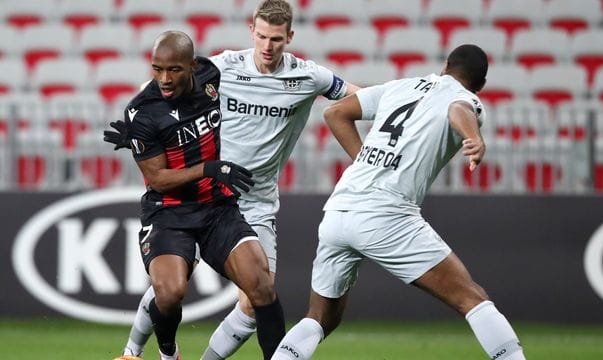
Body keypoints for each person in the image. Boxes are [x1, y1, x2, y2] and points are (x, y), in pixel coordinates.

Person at [106, 1, 359, 359]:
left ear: (289, 37)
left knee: (258, 297)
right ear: (251, 31)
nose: (267, 46)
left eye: (276, 39)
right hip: (198, 190)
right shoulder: (224, 67)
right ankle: (133, 351)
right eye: (261, 36)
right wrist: (140, 126)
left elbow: (358, 96)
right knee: (171, 283)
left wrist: (407, 105)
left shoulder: (308, 76)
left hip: (254, 200)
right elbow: (163, 85)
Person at [271, 44, 527, 360]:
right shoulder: (467, 100)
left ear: (445, 65)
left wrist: (365, 162)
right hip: (387, 213)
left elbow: (335, 112)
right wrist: (474, 137)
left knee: (320, 318)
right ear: (481, 85)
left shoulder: (401, 86)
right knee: (472, 298)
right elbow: (458, 109)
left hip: (340, 208)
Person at [107, 30, 287, 360]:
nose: (164, 78)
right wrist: (210, 169)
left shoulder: (211, 74)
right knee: (171, 291)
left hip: (217, 209)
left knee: (262, 287)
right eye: (156, 69)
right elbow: (158, 179)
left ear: (192, 65)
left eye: (173, 69)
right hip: (169, 211)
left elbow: (256, 75)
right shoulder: (143, 112)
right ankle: (168, 353)